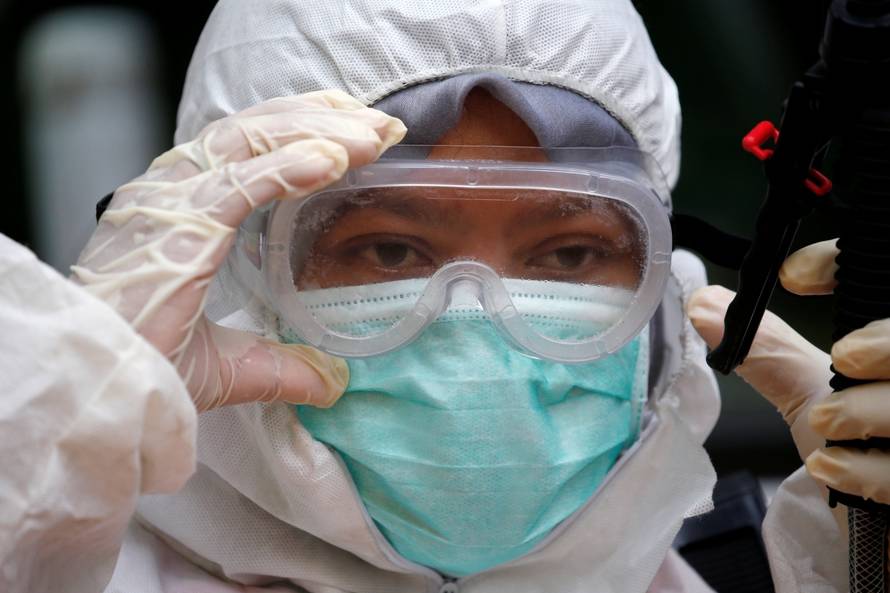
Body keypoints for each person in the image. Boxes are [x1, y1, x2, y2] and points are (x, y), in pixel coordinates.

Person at [2, 1, 889, 592]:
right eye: (388, 249)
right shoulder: (52, 554)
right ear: (235, 273)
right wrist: (44, 434)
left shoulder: (798, 562)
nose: (476, 323)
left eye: (571, 252)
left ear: (660, 289)